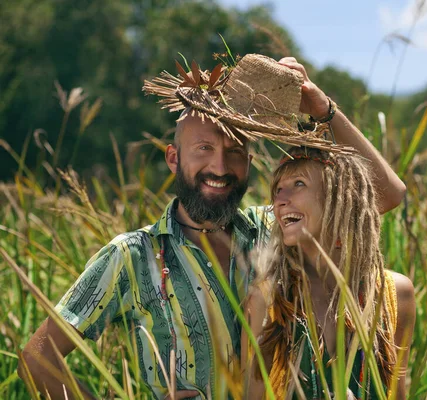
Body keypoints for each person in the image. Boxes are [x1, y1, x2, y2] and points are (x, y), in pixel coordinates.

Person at [18, 54, 406, 399]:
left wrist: (322, 108)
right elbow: (37, 360)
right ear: (173, 158)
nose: (220, 168)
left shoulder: (272, 229)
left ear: (250, 161)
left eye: (235, 152)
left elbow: (383, 196)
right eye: (204, 149)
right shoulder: (131, 257)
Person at [245, 146, 415, 400]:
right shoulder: (270, 300)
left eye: (298, 183)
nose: (280, 200)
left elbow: (397, 394)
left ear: (340, 199)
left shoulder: (393, 294)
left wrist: (326, 111)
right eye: (278, 189)